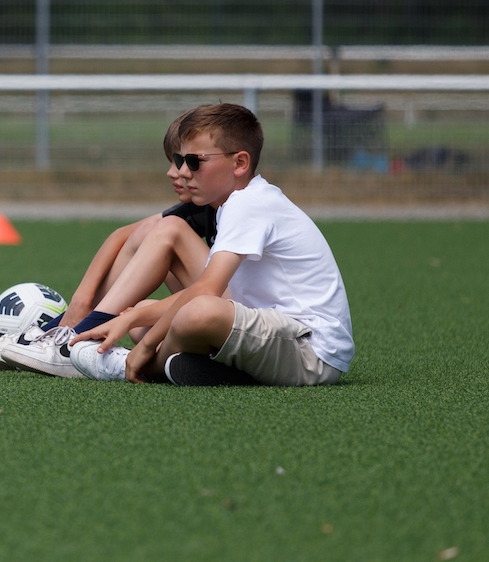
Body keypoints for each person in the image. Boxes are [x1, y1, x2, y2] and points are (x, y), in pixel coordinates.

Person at [67, 102, 353, 387]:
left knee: (198, 312)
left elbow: (206, 291)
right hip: (270, 331)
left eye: (194, 162)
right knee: (145, 318)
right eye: (180, 161)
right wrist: (132, 318)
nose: (183, 172)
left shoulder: (248, 203)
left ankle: (138, 366)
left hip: (311, 351)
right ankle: (212, 369)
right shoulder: (230, 205)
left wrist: (146, 344)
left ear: (239, 163)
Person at [0, 108, 215, 376]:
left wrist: (131, 316)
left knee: (163, 243)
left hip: (227, 312)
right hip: (209, 304)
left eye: (187, 162)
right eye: (176, 161)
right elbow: (122, 235)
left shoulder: (238, 206)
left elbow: (221, 290)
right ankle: (66, 330)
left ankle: (73, 340)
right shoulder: (204, 206)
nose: (173, 172)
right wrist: (81, 301)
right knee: (141, 313)